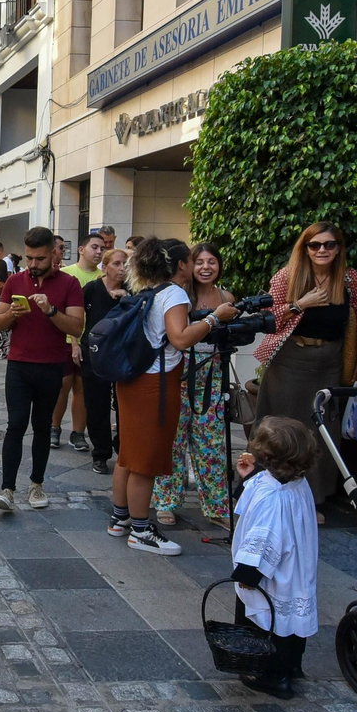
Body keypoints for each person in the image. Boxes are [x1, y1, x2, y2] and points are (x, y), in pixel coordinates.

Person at [107, 238, 239, 555]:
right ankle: (140, 530)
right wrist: (214, 318)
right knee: (145, 461)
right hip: (156, 381)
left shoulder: (150, 288)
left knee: (129, 453)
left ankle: (119, 518)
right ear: (182, 265)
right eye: (192, 261)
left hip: (132, 379)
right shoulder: (175, 293)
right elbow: (180, 339)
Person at [255, 222, 357, 513]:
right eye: (315, 245)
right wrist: (300, 304)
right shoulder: (288, 277)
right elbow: (269, 319)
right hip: (290, 362)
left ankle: (314, 499)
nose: (322, 250)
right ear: (304, 248)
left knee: (322, 431)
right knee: (286, 430)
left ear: (339, 248)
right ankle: (275, 492)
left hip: (330, 361)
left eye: (329, 244)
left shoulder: (348, 279)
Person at [0, 227, 85, 511]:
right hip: (19, 364)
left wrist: (52, 312)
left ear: (54, 254)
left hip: (52, 365)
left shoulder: (69, 284)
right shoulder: (15, 280)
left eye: (40, 258)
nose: (33, 264)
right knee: (15, 425)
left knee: (43, 426)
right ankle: (7, 489)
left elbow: (77, 326)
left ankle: (36, 485)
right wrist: (11, 314)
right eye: (29, 258)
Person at [232, 417, 320, 699]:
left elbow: (264, 542)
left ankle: (273, 676)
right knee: (292, 622)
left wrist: (247, 576)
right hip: (297, 569)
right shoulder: (297, 483)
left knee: (268, 622)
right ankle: (292, 666)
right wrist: (249, 476)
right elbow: (259, 490)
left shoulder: (273, 497)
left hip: (273, 574)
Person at [154, 242, 235, 529]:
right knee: (173, 441)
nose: (205, 267)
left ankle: (216, 506)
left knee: (211, 443)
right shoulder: (179, 295)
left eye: (211, 262)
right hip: (178, 374)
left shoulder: (226, 296)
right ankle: (166, 501)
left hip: (211, 377)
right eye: (199, 262)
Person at [53, 232, 105, 453]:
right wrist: (74, 342)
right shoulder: (66, 275)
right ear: (82, 249)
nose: (99, 252)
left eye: (102, 248)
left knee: (82, 388)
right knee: (62, 386)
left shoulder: (105, 277)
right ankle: (54, 428)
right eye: (94, 247)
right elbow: (65, 311)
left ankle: (78, 433)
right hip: (66, 339)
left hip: (93, 343)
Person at [80, 248, 127, 476]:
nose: (121, 268)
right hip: (95, 353)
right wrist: (73, 343)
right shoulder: (92, 288)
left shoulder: (133, 291)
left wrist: (127, 299)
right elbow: (78, 317)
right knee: (96, 405)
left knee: (124, 405)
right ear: (105, 267)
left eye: (125, 264)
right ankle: (100, 453)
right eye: (116, 264)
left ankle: (123, 447)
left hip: (123, 355)